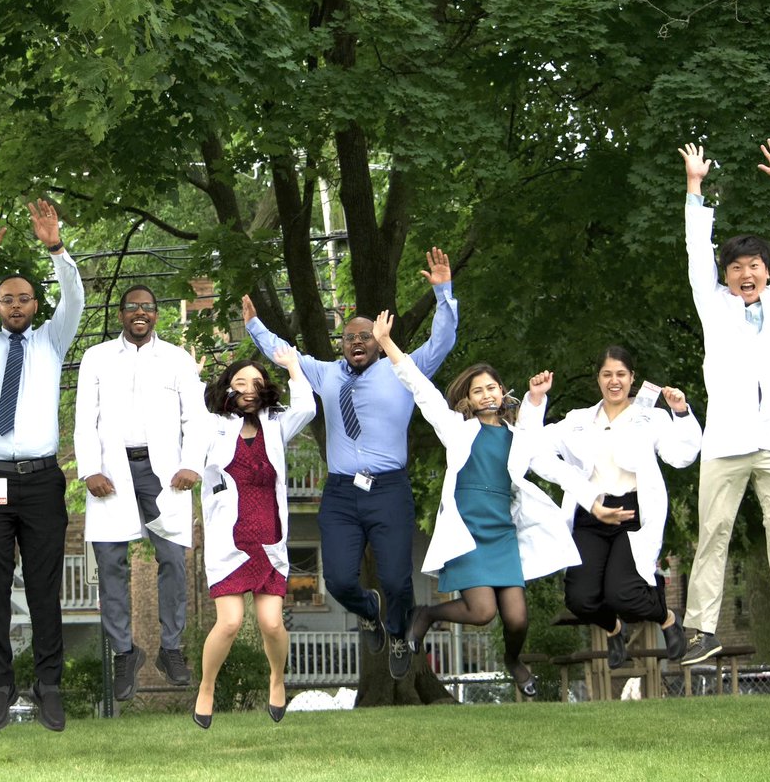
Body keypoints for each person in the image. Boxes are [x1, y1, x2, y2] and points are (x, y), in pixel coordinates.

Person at [243, 249, 458, 679]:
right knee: (339, 580)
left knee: (398, 580)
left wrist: (443, 293)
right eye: (349, 338)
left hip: (389, 491)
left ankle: (397, 631)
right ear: (340, 344)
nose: (357, 343)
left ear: (379, 342)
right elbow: (285, 354)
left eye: (365, 337)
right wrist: (254, 326)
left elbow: (443, 342)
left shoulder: (404, 369)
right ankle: (368, 609)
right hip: (341, 493)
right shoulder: (325, 374)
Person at [368, 311, 602, 696]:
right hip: (468, 531)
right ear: (467, 400)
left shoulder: (517, 436)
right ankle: (425, 615)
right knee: (482, 612)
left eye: (492, 388)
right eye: (478, 390)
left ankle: (513, 661)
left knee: (516, 618)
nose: (487, 394)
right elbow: (420, 389)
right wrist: (389, 344)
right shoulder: (457, 431)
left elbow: (539, 443)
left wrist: (537, 398)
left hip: (502, 533)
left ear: (502, 392)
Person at [0, 201, 85, 732]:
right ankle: (0, 684)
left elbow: (74, 299)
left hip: (39, 482)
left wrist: (57, 248)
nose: (14, 305)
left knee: (43, 585)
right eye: (6, 300)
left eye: (23, 298)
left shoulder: (52, 342)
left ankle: (48, 685)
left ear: (36, 305)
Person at [522, 348, 700, 668]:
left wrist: (681, 412)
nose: (614, 381)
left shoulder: (651, 418)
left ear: (632, 378)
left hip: (632, 513)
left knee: (623, 594)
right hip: (591, 512)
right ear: (599, 379)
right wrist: (535, 401)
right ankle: (613, 628)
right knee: (580, 599)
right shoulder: (578, 420)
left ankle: (668, 618)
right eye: (607, 374)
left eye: (621, 374)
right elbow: (532, 450)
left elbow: (683, 456)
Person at [74, 284, 209, 701]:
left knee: (171, 558)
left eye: (147, 307)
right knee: (111, 561)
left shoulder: (177, 359)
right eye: (132, 306)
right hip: (112, 470)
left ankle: (171, 649)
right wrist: (89, 470)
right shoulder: (97, 358)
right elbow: (84, 418)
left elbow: (197, 417)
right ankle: (124, 652)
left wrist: (192, 463)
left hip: (163, 472)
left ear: (156, 315)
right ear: (120, 314)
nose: (140, 313)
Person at [678, 142, 770, 664]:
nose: (745, 274)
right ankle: (700, 630)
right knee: (713, 533)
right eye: (736, 267)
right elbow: (697, 254)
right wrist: (694, 188)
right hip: (726, 441)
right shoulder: (715, 305)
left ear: (766, 270)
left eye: (754, 265)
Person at [193, 346, 315, 728]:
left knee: (272, 624)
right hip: (229, 541)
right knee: (229, 622)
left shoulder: (275, 424)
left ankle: (277, 679)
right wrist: (192, 378)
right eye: (240, 381)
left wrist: (293, 366)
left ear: (264, 389)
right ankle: (207, 687)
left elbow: (308, 408)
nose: (248, 388)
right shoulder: (212, 424)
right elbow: (190, 415)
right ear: (228, 387)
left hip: (269, 538)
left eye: (256, 382)